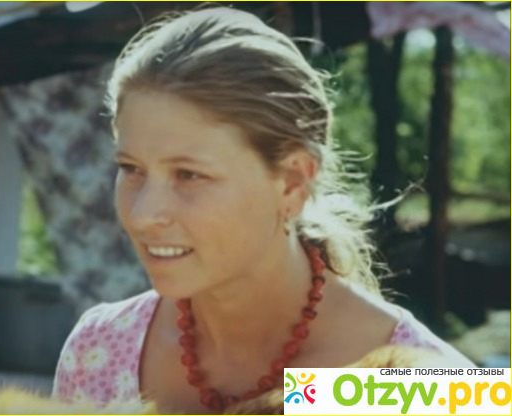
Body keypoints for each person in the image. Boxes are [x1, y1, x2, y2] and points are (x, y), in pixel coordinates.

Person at [52, 6, 474, 414]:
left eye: (189, 175)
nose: (145, 214)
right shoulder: (99, 351)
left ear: (292, 182)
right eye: (131, 169)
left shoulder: (419, 387)